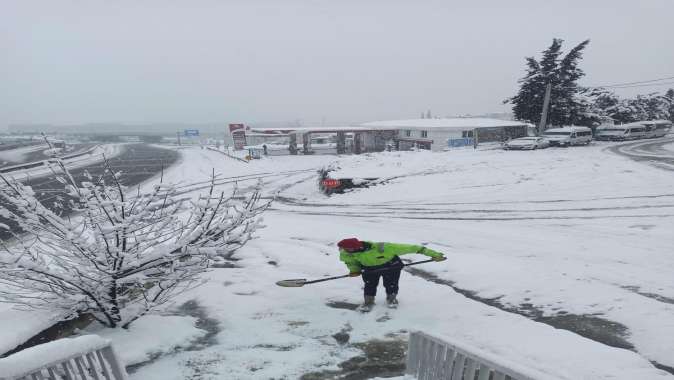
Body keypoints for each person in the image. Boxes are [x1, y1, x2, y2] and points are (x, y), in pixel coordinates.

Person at [337, 238, 446, 311]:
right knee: (369, 285)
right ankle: (368, 302)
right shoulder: (347, 253)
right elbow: (351, 262)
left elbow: (413, 248)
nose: (342, 250)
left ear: (354, 247)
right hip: (369, 268)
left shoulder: (383, 247)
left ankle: (391, 299)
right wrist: (355, 270)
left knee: (391, 283)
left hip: (390, 266)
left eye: (345, 249)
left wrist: (435, 255)